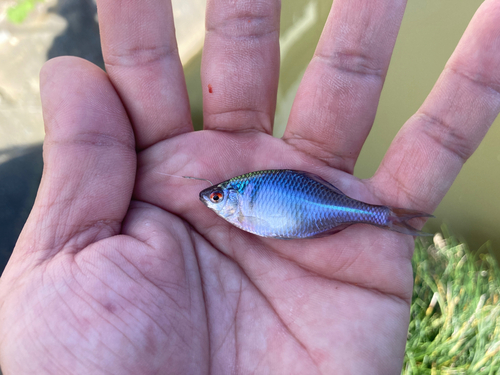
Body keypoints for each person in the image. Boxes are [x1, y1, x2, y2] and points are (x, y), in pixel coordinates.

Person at [0, 0, 499, 373]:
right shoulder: (244, 203)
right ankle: (390, 219)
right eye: (217, 196)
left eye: (218, 197)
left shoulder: (246, 203)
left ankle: (388, 218)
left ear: (235, 197)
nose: (214, 201)